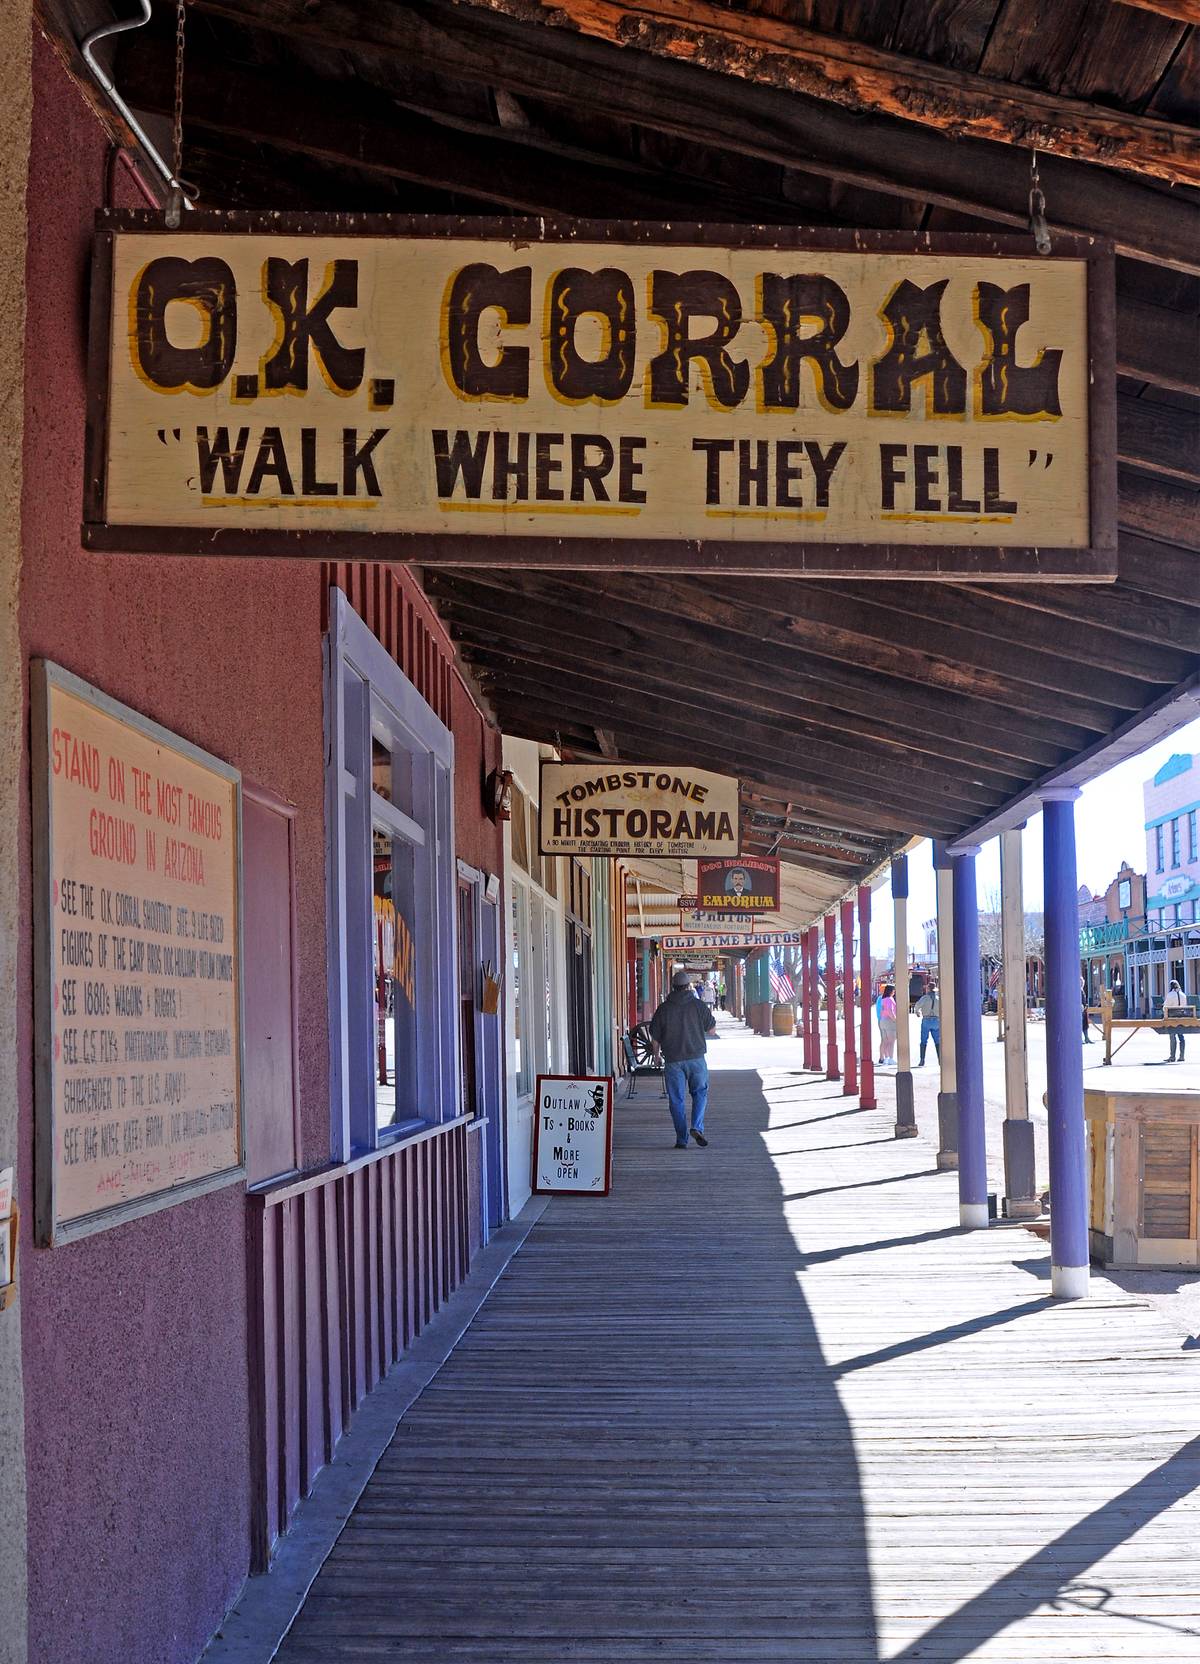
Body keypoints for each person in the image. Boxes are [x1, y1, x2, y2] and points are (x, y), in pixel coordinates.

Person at [649, 969, 718, 1147]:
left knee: (676, 1100)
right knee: (700, 1093)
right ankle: (696, 1127)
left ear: (673, 987)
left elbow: (655, 1036)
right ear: (688, 987)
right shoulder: (698, 1005)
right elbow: (712, 1030)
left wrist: (656, 1056)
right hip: (696, 1058)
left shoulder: (663, 1008)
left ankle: (681, 1139)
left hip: (673, 1061)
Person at [915, 978, 940, 1066]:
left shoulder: (924, 998)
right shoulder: (938, 999)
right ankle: (940, 1060)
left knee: (923, 1041)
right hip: (936, 1021)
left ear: (928, 989)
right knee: (937, 1041)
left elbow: (917, 1006)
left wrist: (917, 1012)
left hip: (926, 1020)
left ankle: (922, 1060)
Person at [1164, 979, 1188, 1062]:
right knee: (1181, 1037)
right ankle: (1182, 1056)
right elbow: (1185, 1006)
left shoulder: (1170, 995)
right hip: (1181, 1017)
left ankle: (1172, 1056)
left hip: (1172, 1018)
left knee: (1172, 1036)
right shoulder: (1183, 995)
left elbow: (1165, 1007)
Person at [878, 983, 897, 1067]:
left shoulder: (883, 999)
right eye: (894, 990)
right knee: (891, 1041)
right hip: (889, 1021)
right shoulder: (890, 999)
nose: (894, 992)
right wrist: (895, 1019)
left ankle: (886, 1058)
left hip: (882, 1020)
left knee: (885, 1040)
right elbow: (890, 1010)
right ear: (891, 991)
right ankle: (891, 1058)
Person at [1081, 976, 1091, 1044]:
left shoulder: (1082, 990)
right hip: (1079, 1010)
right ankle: (1080, 1039)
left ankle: (1087, 1038)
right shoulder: (1077, 990)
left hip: (1084, 1010)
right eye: (1080, 982)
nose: (1081, 983)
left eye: (1082, 982)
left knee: (1085, 1024)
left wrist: (1086, 1005)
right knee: (1080, 1025)